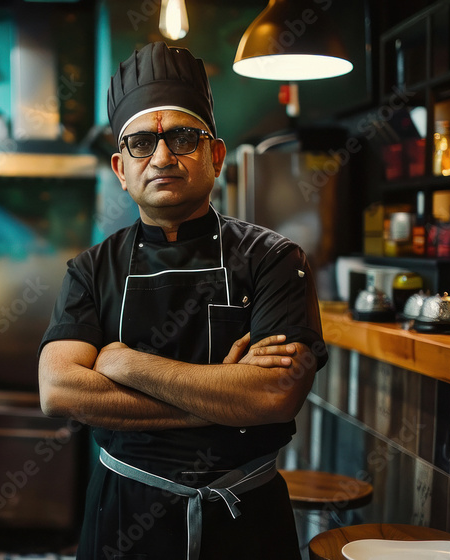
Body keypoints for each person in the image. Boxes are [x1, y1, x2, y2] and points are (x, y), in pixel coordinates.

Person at [38, 42, 327, 560]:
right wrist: (220, 403)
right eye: (142, 143)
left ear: (215, 155)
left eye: (183, 138)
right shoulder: (90, 270)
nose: (163, 157)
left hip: (244, 521)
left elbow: (273, 395)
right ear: (121, 169)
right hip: (122, 517)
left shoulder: (276, 260)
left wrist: (123, 362)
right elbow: (59, 390)